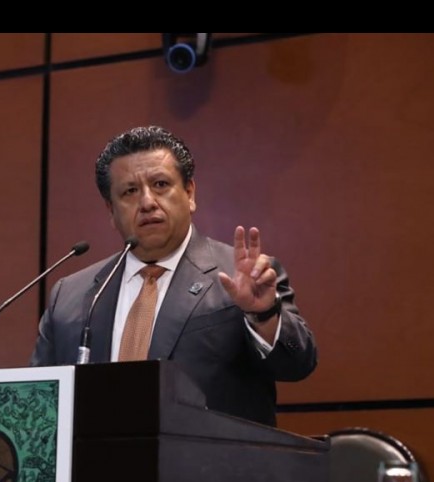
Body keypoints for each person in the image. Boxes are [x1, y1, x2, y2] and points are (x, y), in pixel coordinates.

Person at [30, 125, 316, 426]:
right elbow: (37, 404)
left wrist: (263, 315)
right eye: (130, 191)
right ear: (111, 211)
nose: (147, 202)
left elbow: (297, 365)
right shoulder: (71, 296)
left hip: (208, 456)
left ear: (189, 193)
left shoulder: (244, 276)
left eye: (160, 184)